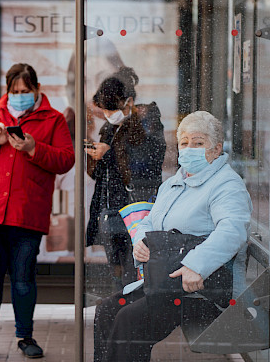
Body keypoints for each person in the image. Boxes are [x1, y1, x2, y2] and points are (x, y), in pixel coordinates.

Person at [93, 111, 252, 362]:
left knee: (129, 321)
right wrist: (141, 241)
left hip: (200, 290)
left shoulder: (226, 184)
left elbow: (232, 229)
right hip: (165, 282)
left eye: (198, 143)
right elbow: (149, 221)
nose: (190, 149)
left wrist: (196, 266)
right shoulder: (174, 183)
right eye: (184, 142)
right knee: (107, 310)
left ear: (216, 148)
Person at [0, 63, 75, 361]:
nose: (19, 96)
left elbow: (66, 160)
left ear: (37, 89)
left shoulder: (53, 119)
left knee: (23, 278)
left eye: (25, 91)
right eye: (14, 91)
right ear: (7, 90)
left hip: (28, 213)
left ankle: (25, 336)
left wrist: (33, 148)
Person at [85, 66, 166, 290]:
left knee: (136, 267)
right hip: (111, 207)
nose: (108, 115)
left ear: (128, 102)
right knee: (117, 270)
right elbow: (99, 174)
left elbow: (145, 166)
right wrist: (94, 156)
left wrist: (108, 153)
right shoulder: (109, 128)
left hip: (137, 206)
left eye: (112, 109)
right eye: (105, 111)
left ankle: (130, 311)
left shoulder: (147, 123)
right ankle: (119, 308)